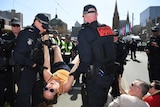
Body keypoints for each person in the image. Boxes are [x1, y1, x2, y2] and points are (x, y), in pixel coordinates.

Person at [76, 4, 116, 107]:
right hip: (109, 75)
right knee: (103, 102)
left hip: (95, 78)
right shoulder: (107, 29)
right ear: (97, 14)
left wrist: (75, 74)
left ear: (84, 16)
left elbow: (86, 59)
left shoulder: (84, 33)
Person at [13, 13, 50, 107]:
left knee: (38, 98)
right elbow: (18, 56)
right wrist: (33, 65)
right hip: (26, 71)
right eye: (43, 26)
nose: (44, 29)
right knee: (24, 99)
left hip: (37, 71)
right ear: (36, 21)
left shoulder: (39, 35)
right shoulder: (26, 34)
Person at [38, 34, 79, 106]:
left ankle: (52, 45)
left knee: (57, 48)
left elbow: (46, 58)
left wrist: (45, 42)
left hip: (59, 67)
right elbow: (73, 72)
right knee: (80, 56)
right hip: (69, 71)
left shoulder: (48, 78)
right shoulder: (65, 88)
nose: (49, 86)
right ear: (57, 92)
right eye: (51, 90)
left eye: (46, 88)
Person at [0, 17, 21, 107]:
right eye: (14, 25)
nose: (16, 27)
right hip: (9, 67)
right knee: (10, 88)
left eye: (18, 25)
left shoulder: (23, 37)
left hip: (22, 67)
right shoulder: (5, 37)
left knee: (21, 88)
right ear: (11, 26)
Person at [110, 29, 128, 98]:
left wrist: (118, 62)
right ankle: (114, 91)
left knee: (117, 79)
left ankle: (116, 93)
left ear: (118, 36)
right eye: (113, 35)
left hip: (118, 65)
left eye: (116, 35)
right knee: (111, 79)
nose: (114, 37)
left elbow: (124, 55)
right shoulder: (109, 44)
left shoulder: (121, 44)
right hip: (110, 65)